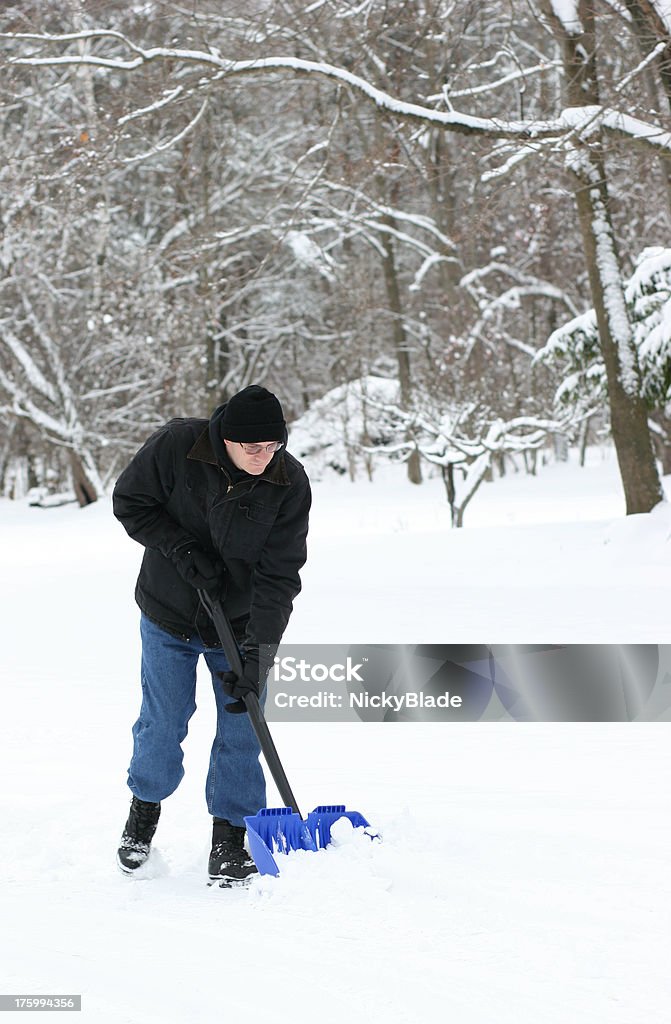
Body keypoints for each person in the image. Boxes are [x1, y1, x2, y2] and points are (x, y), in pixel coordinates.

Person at [112, 384, 311, 883]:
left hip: (240, 624)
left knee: (243, 728)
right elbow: (130, 502)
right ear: (226, 439)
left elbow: (281, 574)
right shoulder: (178, 446)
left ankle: (230, 837)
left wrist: (258, 655)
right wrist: (180, 549)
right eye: (253, 449)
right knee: (164, 722)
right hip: (169, 615)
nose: (264, 458)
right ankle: (144, 809)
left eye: (273, 447)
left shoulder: (288, 482)